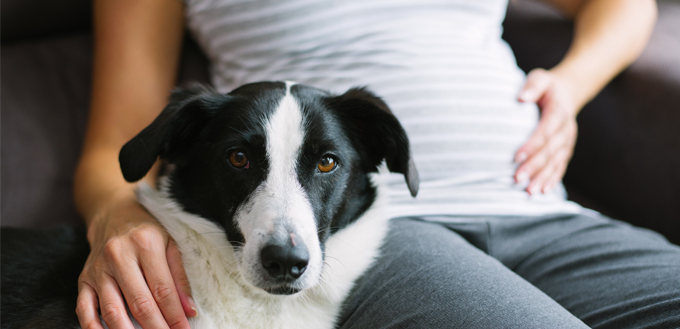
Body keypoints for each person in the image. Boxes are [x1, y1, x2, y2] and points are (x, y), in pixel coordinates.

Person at [73, 0, 679, 328]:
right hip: (388, 233)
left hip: (548, 212)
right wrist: (118, 218)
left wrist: (570, 87)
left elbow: (626, 5)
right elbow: (116, 148)